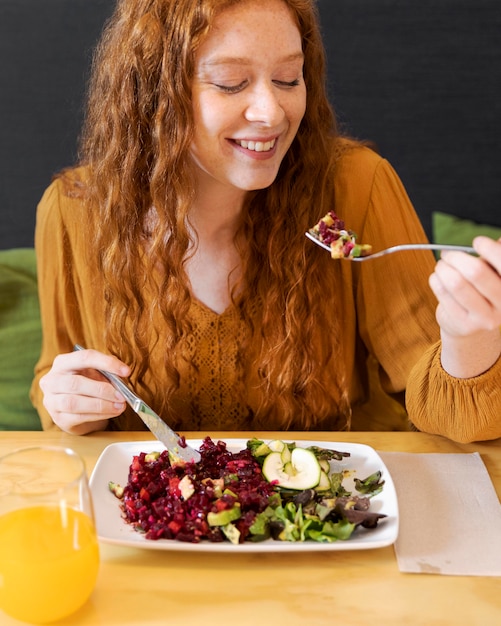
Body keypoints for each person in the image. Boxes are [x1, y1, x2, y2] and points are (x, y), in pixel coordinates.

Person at [31, 0, 501, 443]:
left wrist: (472, 343)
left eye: (288, 78)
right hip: (152, 523)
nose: (272, 112)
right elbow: (58, 374)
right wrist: (69, 404)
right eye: (231, 83)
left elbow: (447, 414)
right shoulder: (75, 211)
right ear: (153, 91)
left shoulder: (356, 186)